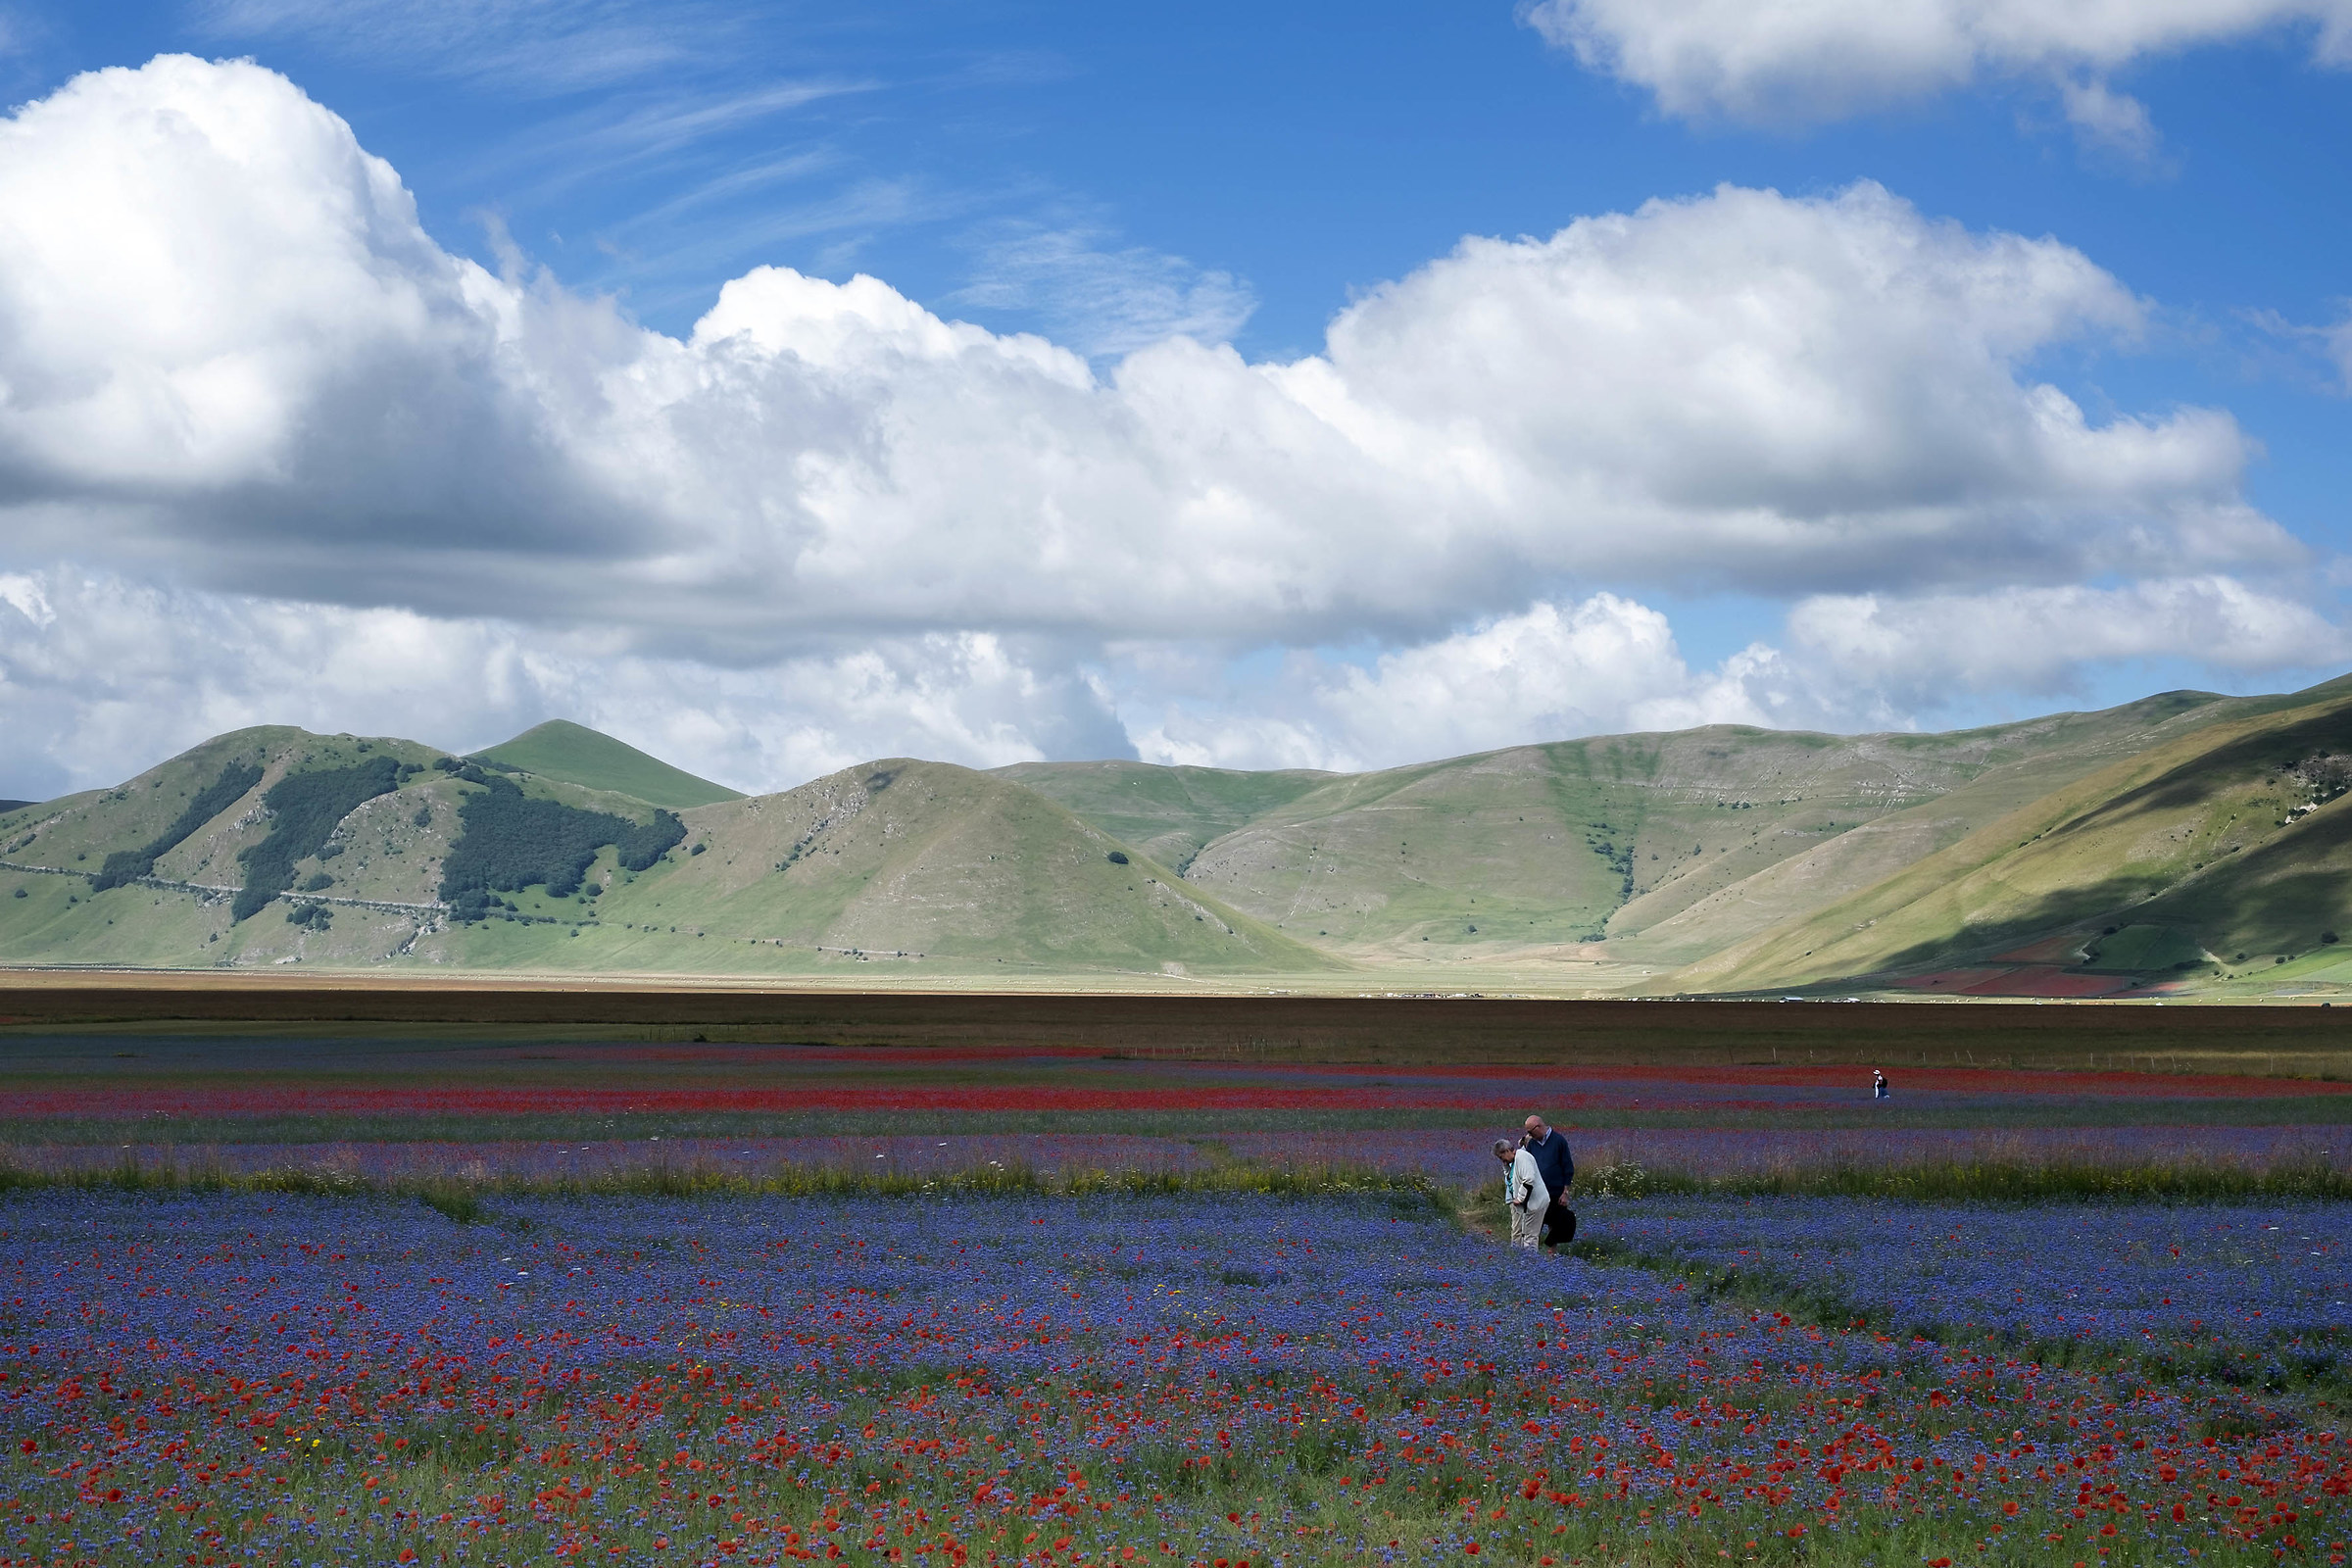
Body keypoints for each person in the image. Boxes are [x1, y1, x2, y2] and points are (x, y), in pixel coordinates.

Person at [1522, 1115, 1576, 1248]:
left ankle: (1551, 1259)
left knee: (1555, 1224)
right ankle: (1532, 1255)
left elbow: (1567, 1167)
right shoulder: (1532, 1144)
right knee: (1535, 1224)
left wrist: (1565, 1192)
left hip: (1555, 1192)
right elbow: (1526, 1164)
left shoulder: (1558, 1141)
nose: (1528, 1135)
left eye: (1530, 1131)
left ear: (1538, 1127)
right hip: (1537, 1192)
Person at [1493, 1138, 1546, 1249]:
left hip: (1535, 1202)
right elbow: (1511, 1178)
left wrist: (1519, 1198)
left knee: (1530, 1236)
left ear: (1507, 1151)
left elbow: (1528, 1179)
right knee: (1523, 1233)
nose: (1503, 1161)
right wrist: (1506, 1166)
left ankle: (1529, 1262)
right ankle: (1523, 1259)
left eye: (1501, 1157)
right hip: (1528, 1203)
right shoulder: (1515, 1160)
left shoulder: (1522, 1157)